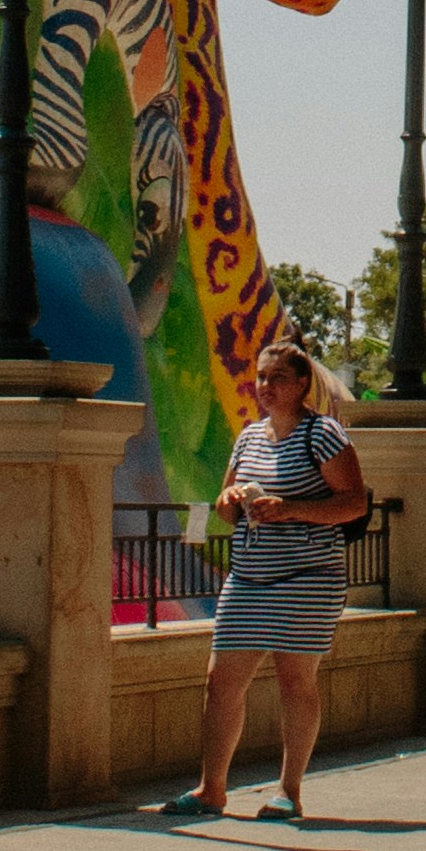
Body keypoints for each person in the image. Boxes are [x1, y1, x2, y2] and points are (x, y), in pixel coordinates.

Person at [168, 336, 366, 823]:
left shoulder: (323, 436)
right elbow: (223, 506)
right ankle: (211, 788)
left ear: (302, 385)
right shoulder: (250, 437)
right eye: (261, 377)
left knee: (294, 681)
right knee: (220, 682)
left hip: (307, 577)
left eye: (278, 378)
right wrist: (231, 499)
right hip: (250, 576)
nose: (266, 386)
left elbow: (355, 503)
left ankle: (288, 790)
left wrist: (290, 508)